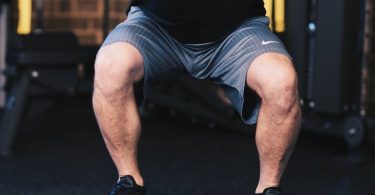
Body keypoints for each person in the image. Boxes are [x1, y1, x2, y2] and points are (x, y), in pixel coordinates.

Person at [93, 0, 301, 194]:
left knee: (281, 82)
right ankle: (129, 184)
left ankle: (269, 188)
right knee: (110, 66)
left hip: (238, 29)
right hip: (155, 26)